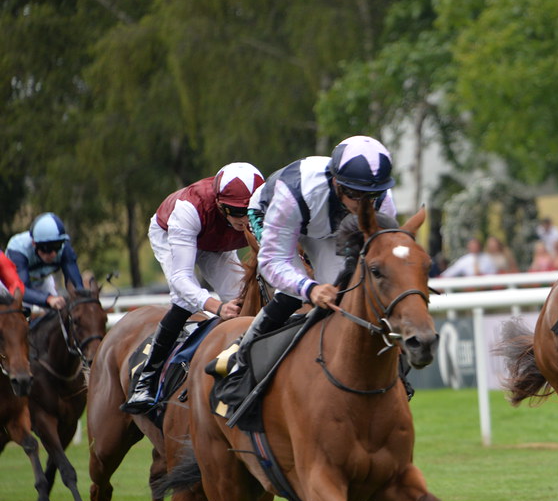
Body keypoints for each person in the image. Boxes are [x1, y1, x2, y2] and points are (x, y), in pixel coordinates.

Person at [122, 162, 266, 413]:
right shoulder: (189, 209)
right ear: (221, 205)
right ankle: (148, 377)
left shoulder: (264, 207)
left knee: (243, 303)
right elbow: (181, 279)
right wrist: (216, 307)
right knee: (185, 298)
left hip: (217, 245)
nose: (244, 221)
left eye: (249, 212)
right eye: (235, 212)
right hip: (172, 233)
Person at [234, 136, 398, 354]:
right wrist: (310, 288)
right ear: (336, 183)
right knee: (294, 291)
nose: (364, 206)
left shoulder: (384, 201)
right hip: (273, 214)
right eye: (356, 194)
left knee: (341, 291)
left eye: (372, 196)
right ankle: (241, 352)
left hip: (325, 227)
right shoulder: (294, 194)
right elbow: (273, 262)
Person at [5, 212, 86, 311]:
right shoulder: (18, 249)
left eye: (57, 246)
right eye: (47, 248)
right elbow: (21, 289)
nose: (53, 254)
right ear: (34, 243)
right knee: (21, 315)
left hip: (42, 281)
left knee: (59, 311)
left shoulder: (65, 248)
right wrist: (48, 298)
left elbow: (76, 286)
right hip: (11, 285)